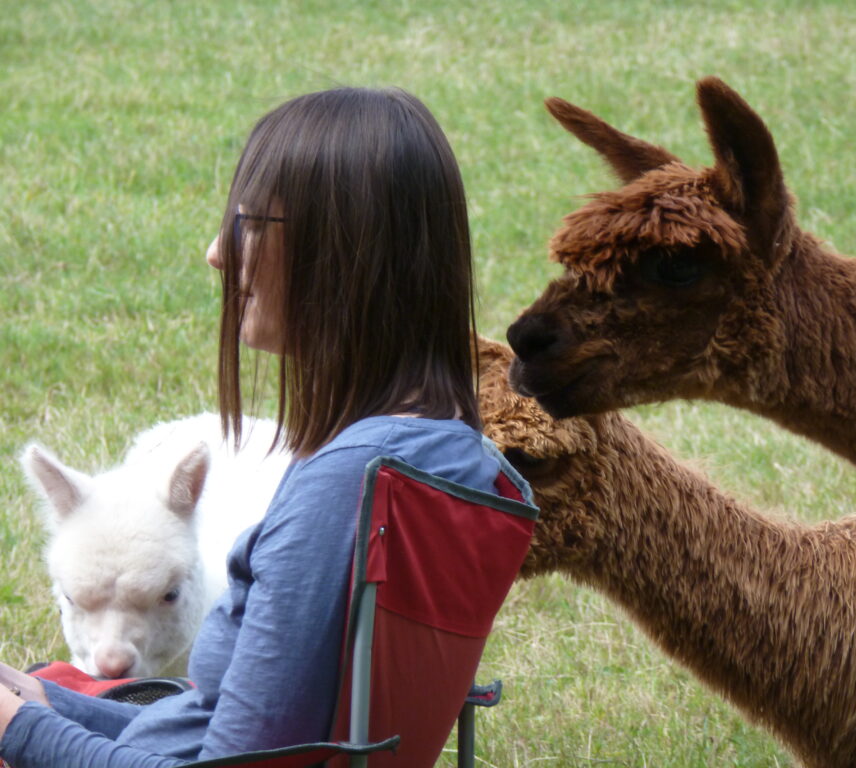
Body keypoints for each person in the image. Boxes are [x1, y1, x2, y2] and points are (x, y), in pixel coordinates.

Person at [0, 86, 532, 767]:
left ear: (344, 250)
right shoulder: (451, 455)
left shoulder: (346, 488)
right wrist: (41, 706)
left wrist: (19, 729)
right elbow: (225, 731)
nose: (217, 253)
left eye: (249, 224)